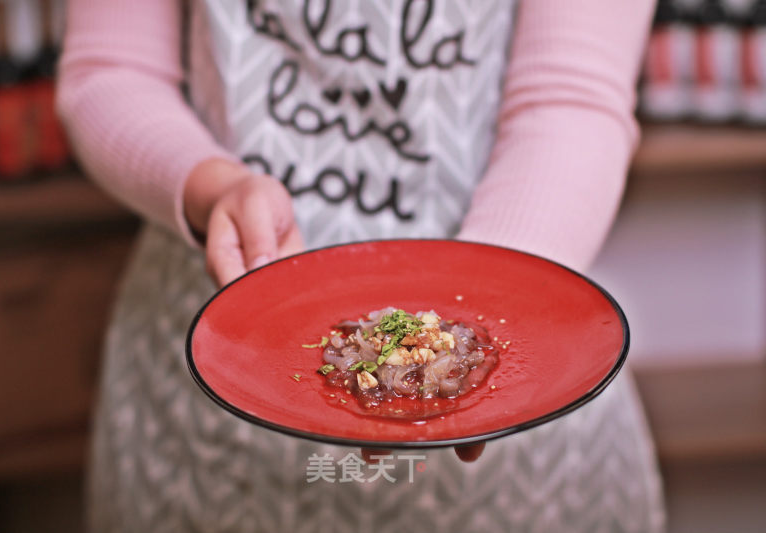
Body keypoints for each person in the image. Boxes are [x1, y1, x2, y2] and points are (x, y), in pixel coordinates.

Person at [57, 0, 665, 531]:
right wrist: (216, 190)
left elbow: (571, 97)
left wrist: (476, 318)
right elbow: (112, 70)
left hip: (509, 342)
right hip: (214, 365)